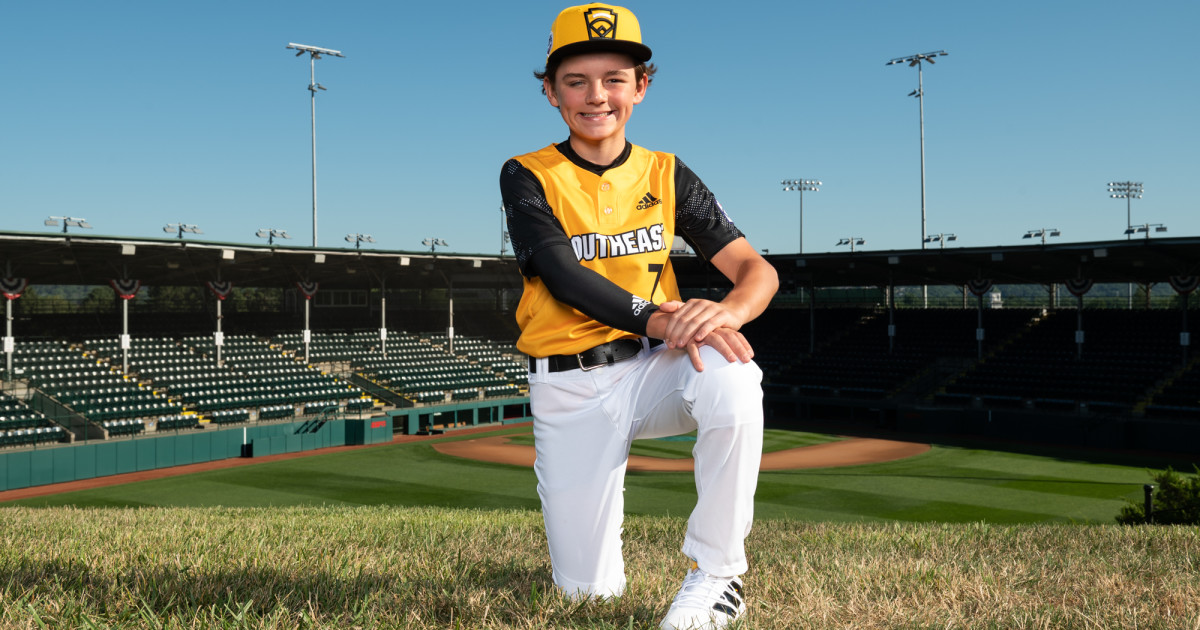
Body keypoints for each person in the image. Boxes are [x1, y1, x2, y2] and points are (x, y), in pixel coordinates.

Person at [498, 4, 778, 629]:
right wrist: (659, 318)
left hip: (655, 372)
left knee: (732, 373)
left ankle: (717, 577)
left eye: (615, 78)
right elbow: (562, 276)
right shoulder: (527, 174)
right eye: (576, 80)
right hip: (568, 385)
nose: (596, 96)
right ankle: (594, 577)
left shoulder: (666, 172)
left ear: (641, 86)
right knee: (588, 599)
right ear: (550, 91)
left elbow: (759, 273)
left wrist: (722, 314)